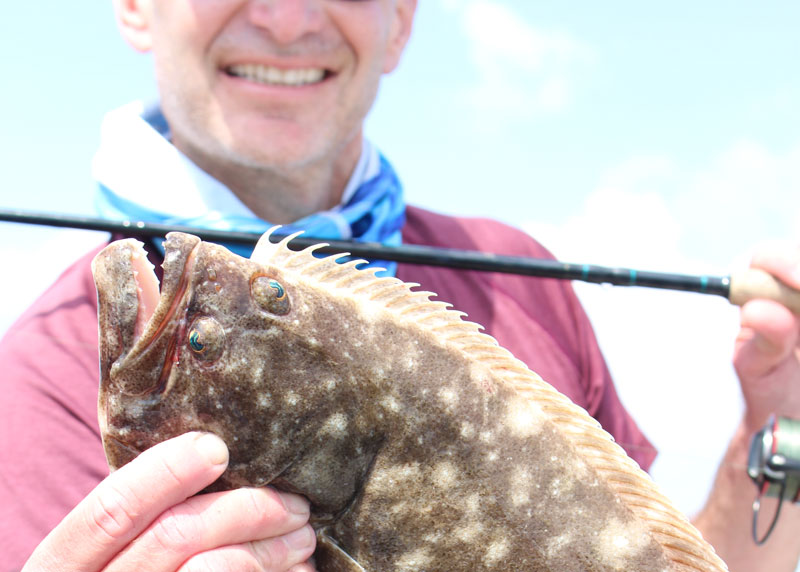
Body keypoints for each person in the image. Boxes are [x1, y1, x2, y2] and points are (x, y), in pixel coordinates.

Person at [1, 1, 798, 570]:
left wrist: (778, 424)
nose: (287, 16)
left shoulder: (520, 276)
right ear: (134, 7)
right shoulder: (36, 377)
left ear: (403, 23)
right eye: (203, 343)